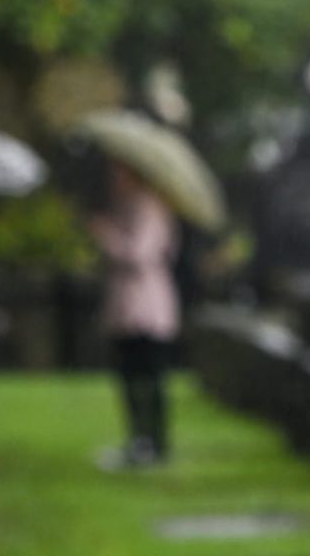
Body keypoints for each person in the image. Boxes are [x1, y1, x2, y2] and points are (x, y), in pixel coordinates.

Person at [91, 161, 181, 469]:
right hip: (125, 308)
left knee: (150, 378)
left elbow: (139, 254)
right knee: (129, 378)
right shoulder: (125, 206)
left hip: (146, 308)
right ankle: (138, 439)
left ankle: (155, 441)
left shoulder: (150, 208)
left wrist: (107, 236)